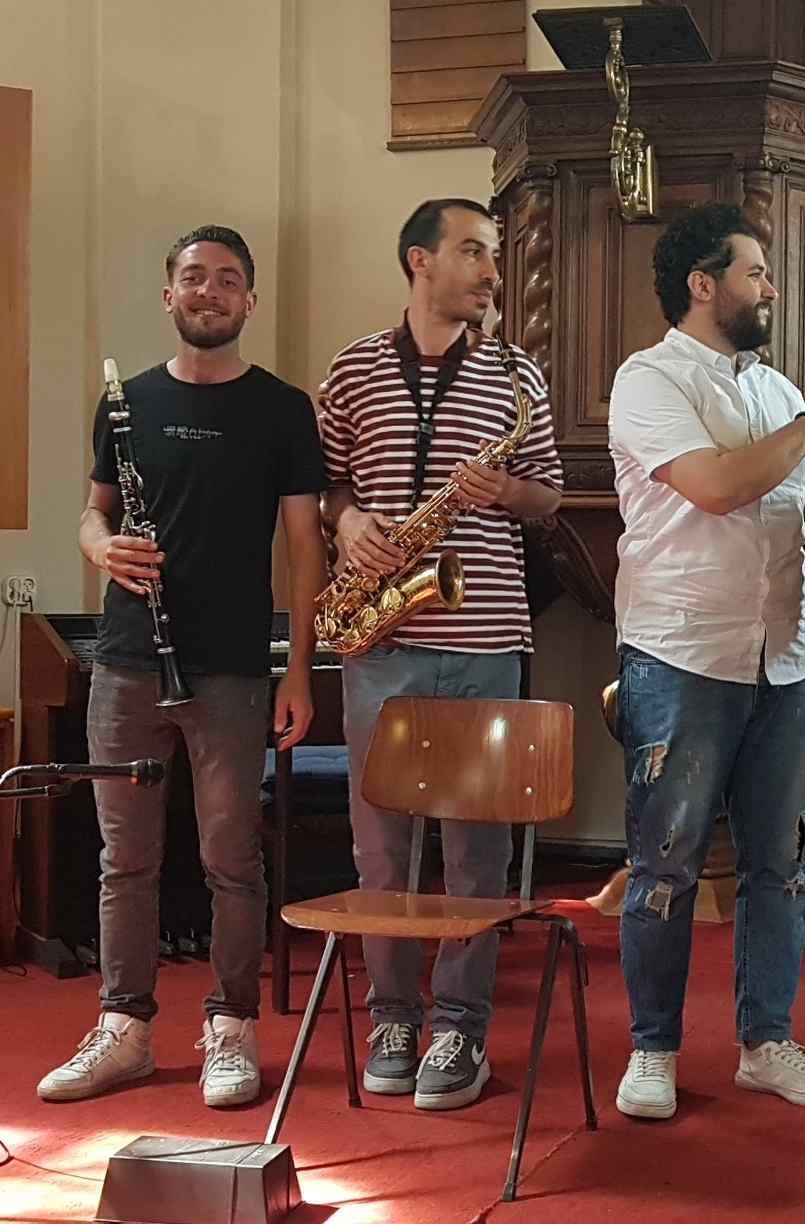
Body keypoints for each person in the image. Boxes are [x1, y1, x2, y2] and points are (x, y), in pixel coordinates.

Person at [39, 225, 327, 1109]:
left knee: (230, 859)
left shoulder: (282, 409)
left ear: (249, 300)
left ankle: (230, 1028)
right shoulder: (125, 404)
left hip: (235, 667)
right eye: (194, 278)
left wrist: (300, 671)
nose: (210, 292)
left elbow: (306, 550)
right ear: (170, 294)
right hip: (127, 663)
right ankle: (123, 1029)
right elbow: (90, 517)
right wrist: (105, 550)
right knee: (124, 859)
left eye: (228, 280)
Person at [606, 202, 805, 1122]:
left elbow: (803, 511)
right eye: (755, 271)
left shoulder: (778, 389)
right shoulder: (649, 379)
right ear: (702, 285)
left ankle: (765, 1043)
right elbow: (718, 488)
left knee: (781, 865)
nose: (772, 287)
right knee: (666, 864)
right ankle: (653, 1048)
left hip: (785, 658)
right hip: (682, 653)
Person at [317, 198, 563, 1112]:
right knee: (380, 852)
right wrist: (350, 524)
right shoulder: (351, 369)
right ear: (419, 259)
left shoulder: (518, 374)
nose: (492, 271)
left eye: (493, 256)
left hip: (487, 635)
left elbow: (551, 499)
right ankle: (392, 1014)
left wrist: (507, 489)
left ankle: (459, 1025)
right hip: (382, 634)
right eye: (474, 252)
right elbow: (326, 480)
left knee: (476, 857)